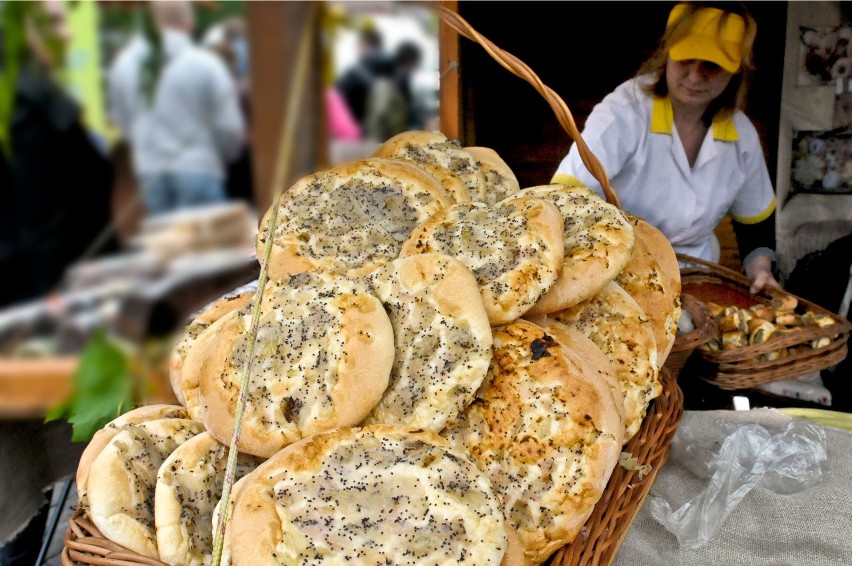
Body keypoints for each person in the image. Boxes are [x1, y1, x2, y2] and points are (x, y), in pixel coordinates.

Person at [552, 2, 779, 294]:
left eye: (712, 65)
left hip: (698, 280)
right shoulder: (625, 112)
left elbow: (756, 227)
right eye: (686, 59)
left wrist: (760, 271)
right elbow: (563, 199)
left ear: (735, 71)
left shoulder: (740, 135)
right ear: (668, 53)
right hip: (621, 280)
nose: (696, 76)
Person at [0, 0, 118, 309]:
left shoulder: (31, 90)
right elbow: (37, 216)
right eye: (54, 23)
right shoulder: (25, 100)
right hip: (48, 293)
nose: (66, 35)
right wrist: (48, 293)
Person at [107, 1, 246, 216]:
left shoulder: (121, 66)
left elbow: (125, 128)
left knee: (167, 246)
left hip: (149, 173)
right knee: (210, 247)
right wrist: (220, 158)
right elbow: (230, 129)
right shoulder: (207, 65)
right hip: (201, 170)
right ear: (188, 23)